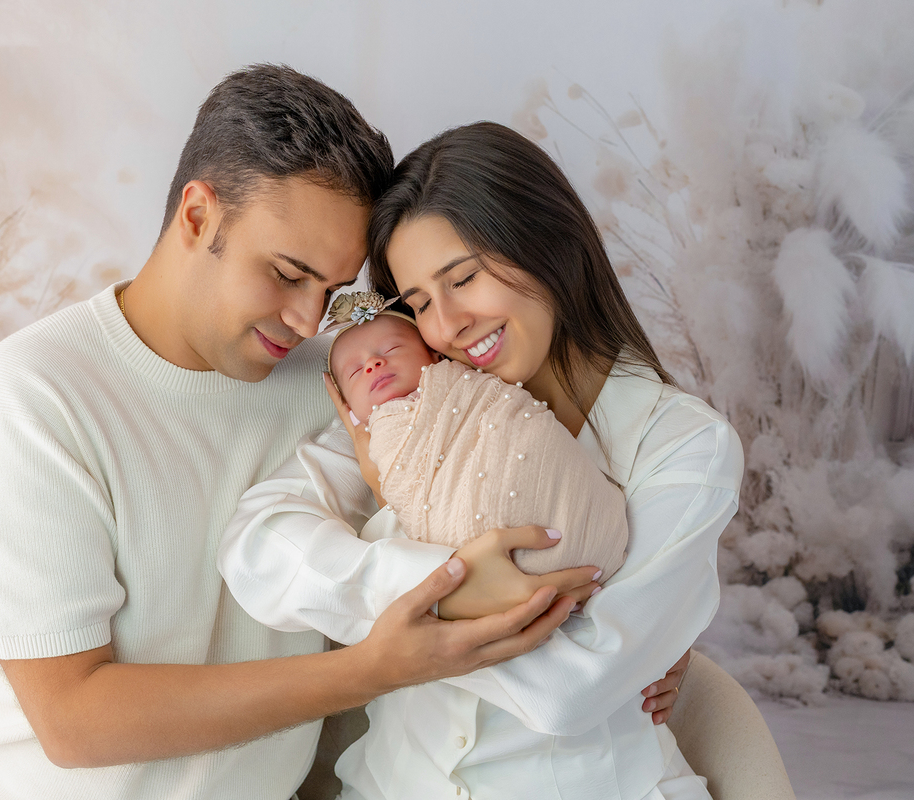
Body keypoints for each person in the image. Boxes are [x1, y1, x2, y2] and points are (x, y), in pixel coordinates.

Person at [0, 67, 617, 800]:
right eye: (286, 273)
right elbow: (74, 722)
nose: (310, 321)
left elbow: (505, 476)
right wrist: (373, 669)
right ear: (197, 217)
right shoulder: (29, 404)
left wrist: (649, 628)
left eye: (334, 291)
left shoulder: (343, 383)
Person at [219, 121, 742, 799]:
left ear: (549, 242)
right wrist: (447, 584)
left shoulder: (683, 448)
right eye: (421, 303)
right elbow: (257, 548)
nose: (448, 325)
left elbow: (569, 692)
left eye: (463, 278)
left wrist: (402, 635)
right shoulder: (410, 394)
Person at [324, 291, 628, 585]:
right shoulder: (367, 445)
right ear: (348, 408)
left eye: (391, 349)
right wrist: (378, 481)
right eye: (354, 372)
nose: (372, 364)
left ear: (434, 354)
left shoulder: (469, 383)